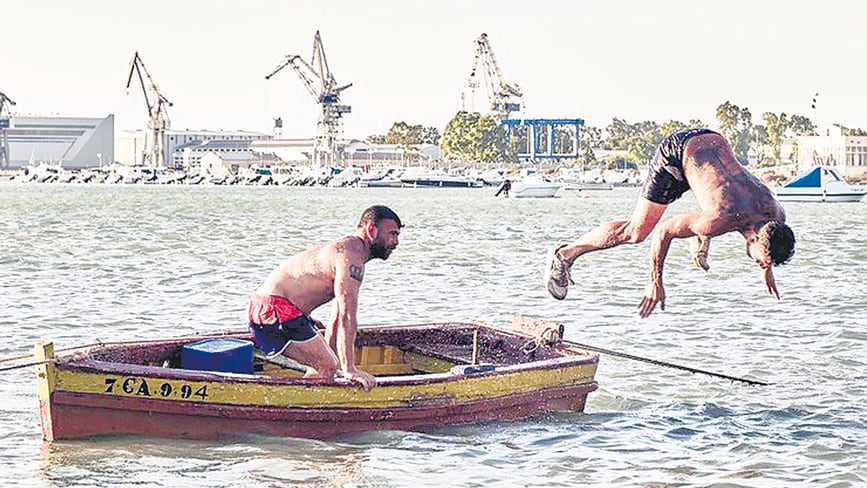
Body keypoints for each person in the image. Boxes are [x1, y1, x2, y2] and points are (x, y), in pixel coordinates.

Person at [543, 128, 795, 318]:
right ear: (754, 239)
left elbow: (763, 237)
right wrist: (655, 280)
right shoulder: (720, 219)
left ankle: (696, 234)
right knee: (635, 232)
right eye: (763, 260)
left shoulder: (776, 216)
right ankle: (564, 254)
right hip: (676, 155)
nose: (762, 264)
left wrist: (767, 268)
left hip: (710, 143)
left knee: (714, 215)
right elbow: (664, 231)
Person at [247, 205, 402, 389]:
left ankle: (304, 401)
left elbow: (337, 317)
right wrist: (349, 369)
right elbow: (348, 317)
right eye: (392, 234)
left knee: (325, 365)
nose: (396, 241)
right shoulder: (351, 259)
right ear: (371, 230)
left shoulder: (351, 253)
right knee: (327, 366)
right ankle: (301, 408)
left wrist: (330, 355)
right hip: (274, 311)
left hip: (279, 310)